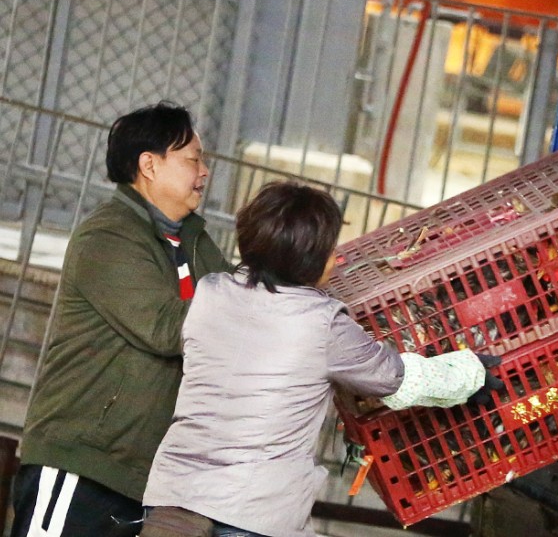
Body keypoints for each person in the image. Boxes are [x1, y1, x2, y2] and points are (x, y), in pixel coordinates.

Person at [139, 182, 503, 537]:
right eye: (330, 249)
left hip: (173, 496)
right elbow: (396, 379)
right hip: (251, 509)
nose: (337, 257)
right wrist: (471, 374)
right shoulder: (321, 322)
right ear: (309, 258)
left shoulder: (211, 293)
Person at [11, 102, 231, 537]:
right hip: (83, 461)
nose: (203, 173)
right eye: (192, 160)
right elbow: (168, 327)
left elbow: (234, 310)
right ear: (149, 164)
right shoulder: (109, 235)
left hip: (143, 473)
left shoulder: (194, 242)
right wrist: (253, 313)